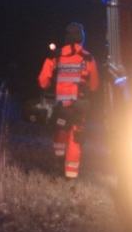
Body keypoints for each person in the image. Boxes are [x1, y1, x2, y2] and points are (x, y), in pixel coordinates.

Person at [38, 22, 99, 179]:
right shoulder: (88, 58)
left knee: (60, 132)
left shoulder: (56, 56)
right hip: (79, 106)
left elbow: (42, 81)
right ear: (81, 38)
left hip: (60, 106)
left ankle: (59, 160)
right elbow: (94, 85)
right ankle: (70, 175)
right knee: (75, 138)